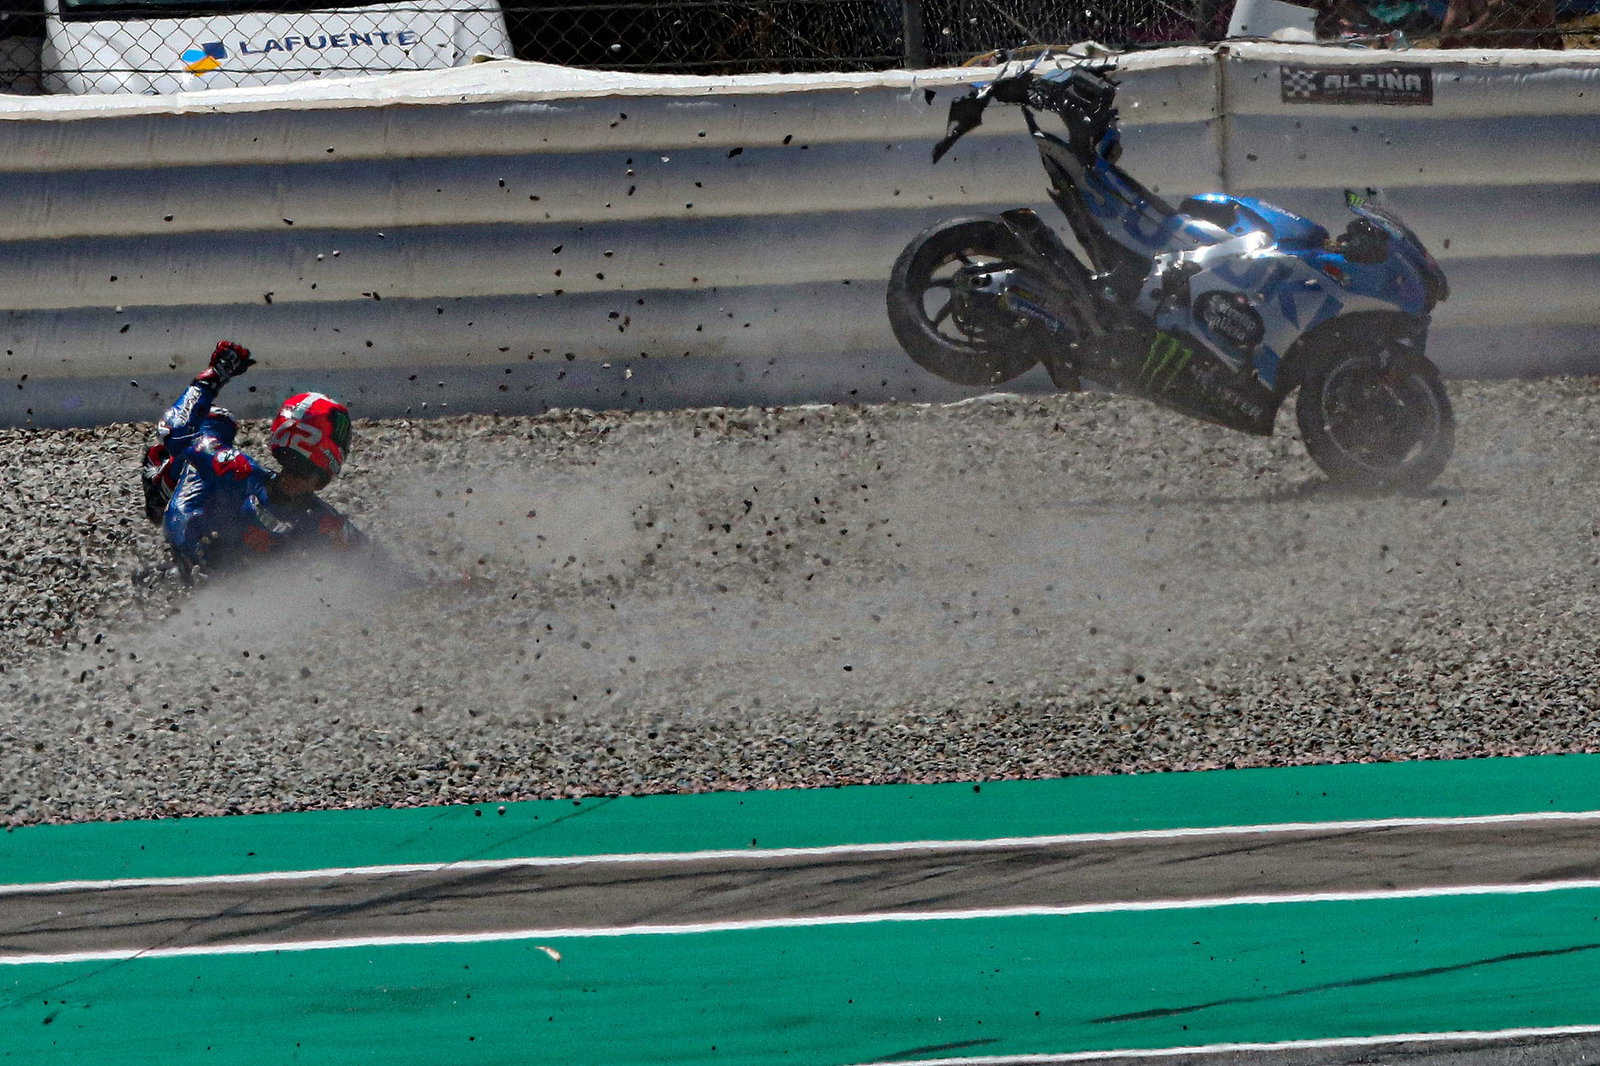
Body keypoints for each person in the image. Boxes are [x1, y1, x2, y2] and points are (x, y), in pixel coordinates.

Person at [140, 340, 366, 583]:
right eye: (289, 462)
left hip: (236, 589)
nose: (291, 477)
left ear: (321, 478)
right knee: (211, 425)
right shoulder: (232, 468)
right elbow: (176, 432)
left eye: (303, 470)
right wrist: (213, 377)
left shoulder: (323, 521)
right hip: (194, 553)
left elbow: (376, 561)